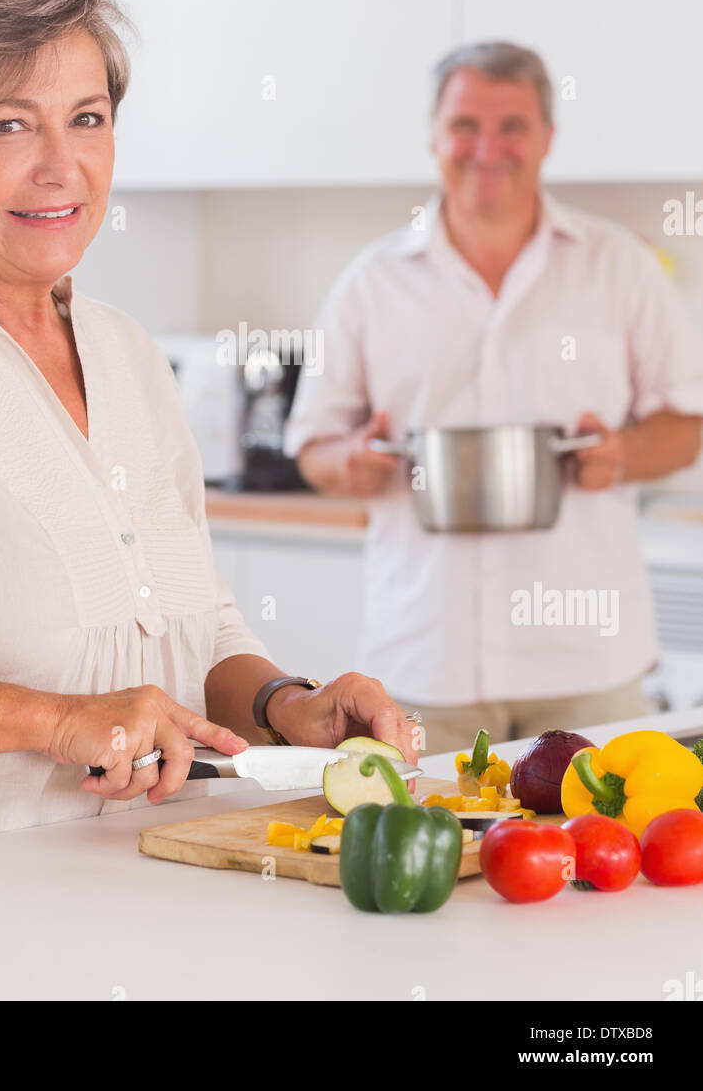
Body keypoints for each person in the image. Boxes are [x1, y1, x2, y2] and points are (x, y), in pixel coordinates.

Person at [0, 0, 417, 859]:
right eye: (7, 126)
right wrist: (54, 720)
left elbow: (195, 620)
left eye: (88, 120)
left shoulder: (128, 354)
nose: (60, 167)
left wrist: (285, 704)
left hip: (157, 883)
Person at [285, 42, 703, 754]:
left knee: (606, 857)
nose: (488, 148)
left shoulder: (619, 265)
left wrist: (624, 453)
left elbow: (686, 421)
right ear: (433, 136)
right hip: (422, 661)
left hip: (588, 663)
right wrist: (349, 462)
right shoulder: (372, 281)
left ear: (547, 138)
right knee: (431, 859)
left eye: (512, 126)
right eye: (465, 125)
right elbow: (314, 445)